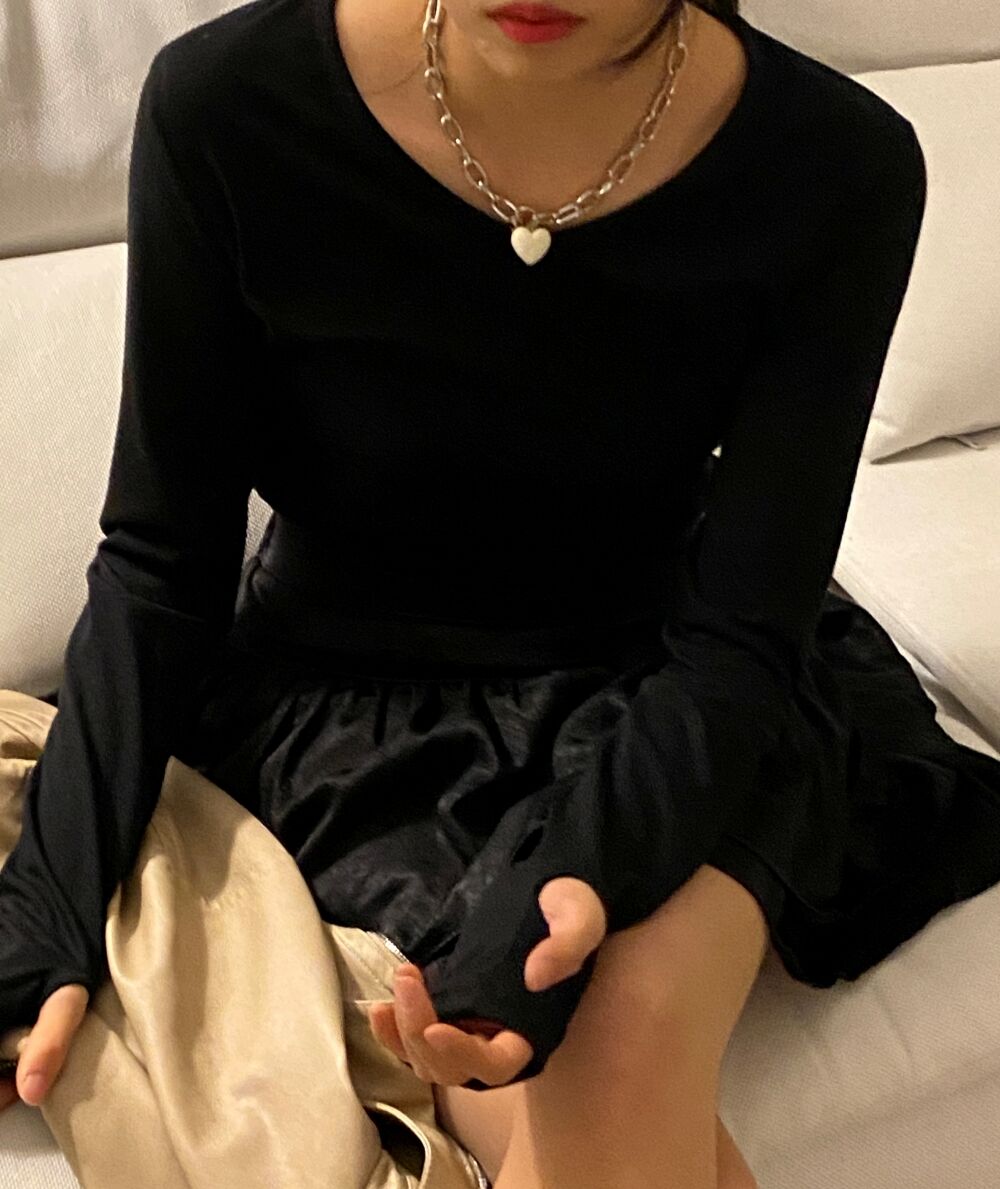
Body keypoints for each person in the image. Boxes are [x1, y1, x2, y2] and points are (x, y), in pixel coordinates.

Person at [4, 0, 1000, 1185]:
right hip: (352, 718)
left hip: (685, 698)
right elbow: (163, 562)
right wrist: (45, 906)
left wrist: (580, 865)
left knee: (618, 1042)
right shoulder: (228, 103)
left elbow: (741, 632)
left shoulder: (836, 162)